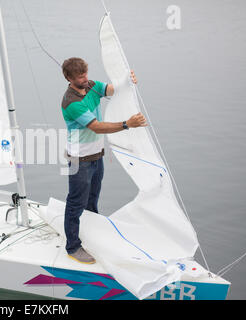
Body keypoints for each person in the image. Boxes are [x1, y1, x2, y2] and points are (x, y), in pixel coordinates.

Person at [61, 57, 147, 264]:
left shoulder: (91, 86)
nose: (85, 79)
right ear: (69, 78)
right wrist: (128, 124)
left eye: (85, 74)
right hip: (78, 161)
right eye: (80, 77)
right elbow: (97, 126)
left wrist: (127, 81)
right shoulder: (71, 102)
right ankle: (72, 246)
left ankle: (91, 235)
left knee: (92, 200)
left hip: (96, 157)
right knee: (76, 203)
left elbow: (111, 89)